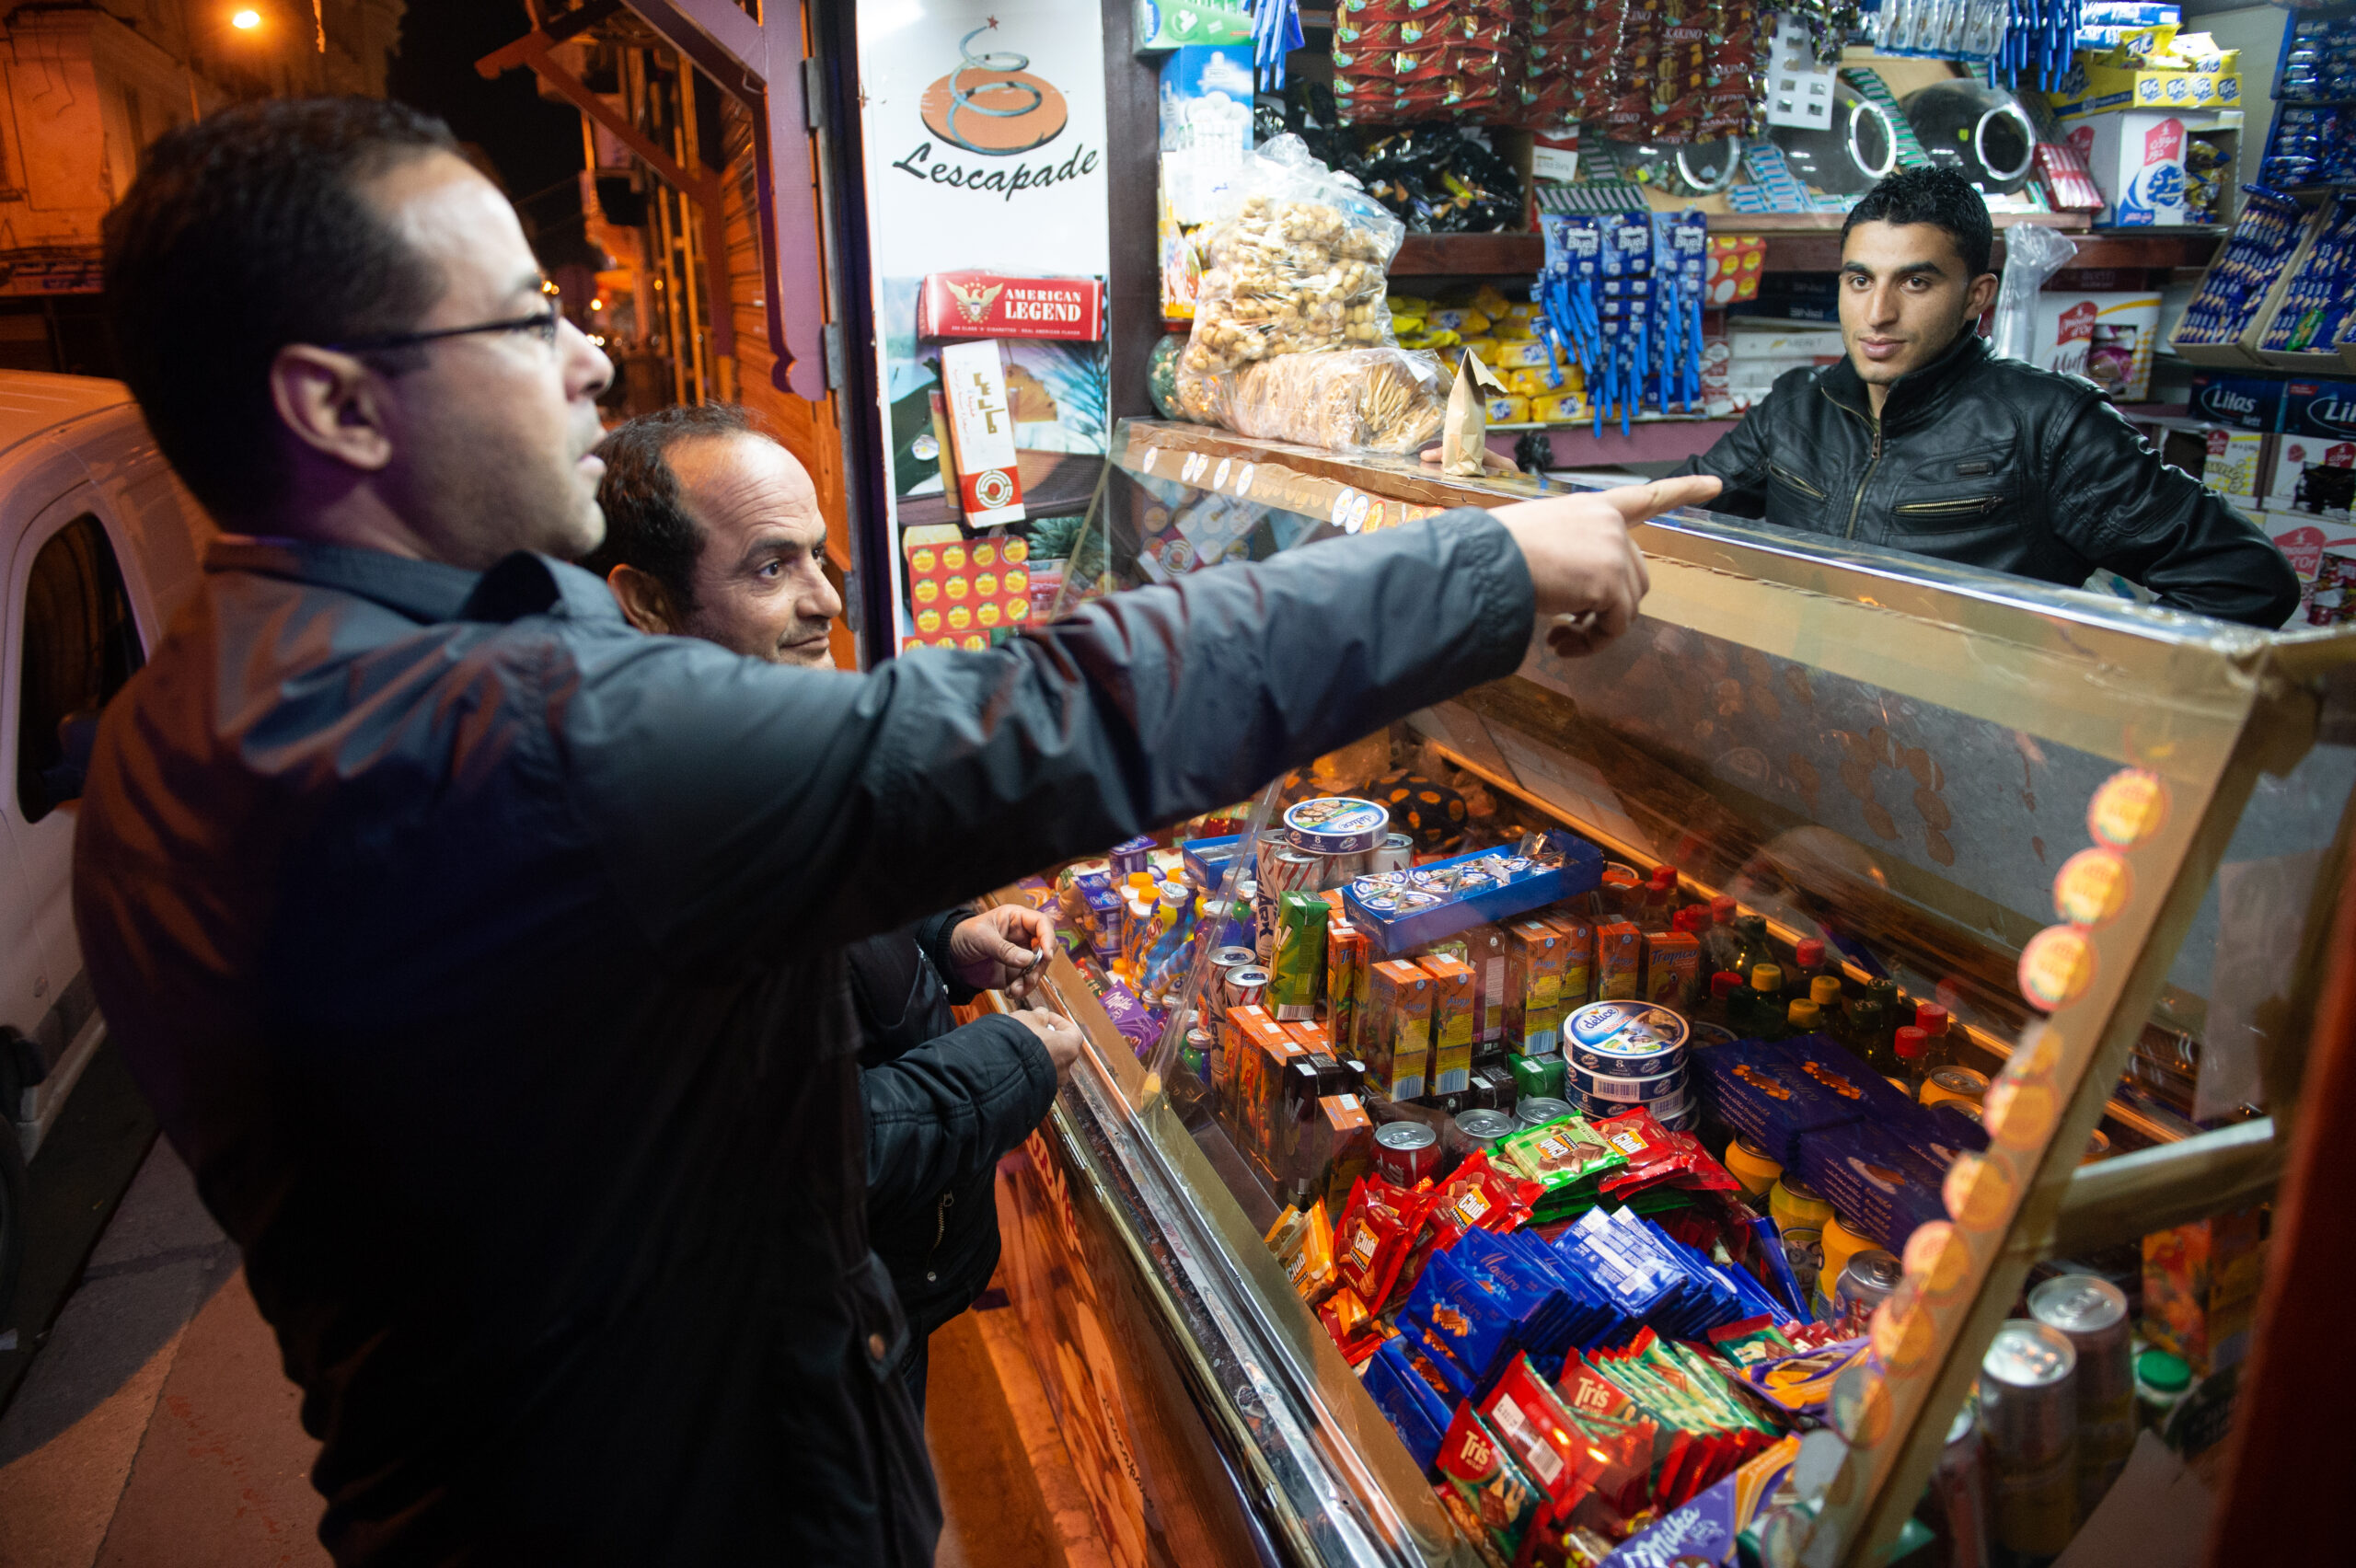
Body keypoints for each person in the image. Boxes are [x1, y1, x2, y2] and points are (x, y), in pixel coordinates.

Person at [77, 97, 1715, 1567]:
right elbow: (1032, 719)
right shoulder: (492, 742)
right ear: (338, 406)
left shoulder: (201, 700)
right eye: (522, 320)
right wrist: (1492, 567)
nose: (589, 356)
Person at [577, 403, 1068, 1411]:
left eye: (819, 557)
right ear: (648, 601)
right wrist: (1007, 1061)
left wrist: (944, 937)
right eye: (769, 568)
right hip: (787, 1347)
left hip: (879, 1293)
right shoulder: (653, 833)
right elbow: (787, 1147)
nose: (827, 603)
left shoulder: (758, 736)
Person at [1676, 166, 2299, 628]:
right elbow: (1671, 515)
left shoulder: (2049, 425)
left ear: (1977, 295)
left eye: (1916, 282)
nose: (1878, 313)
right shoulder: (1798, 406)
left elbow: (2245, 581)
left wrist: (2092, 692)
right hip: (1811, 719)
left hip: (1969, 751)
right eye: (1859, 279)